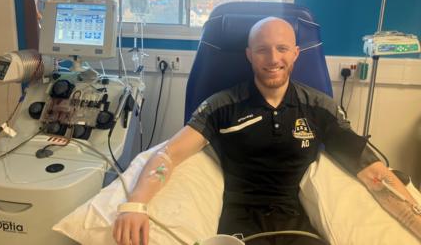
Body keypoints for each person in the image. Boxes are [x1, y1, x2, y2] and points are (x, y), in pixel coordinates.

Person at [112, 17, 421, 245]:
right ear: (249, 55)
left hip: (300, 230)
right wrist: (135, 204)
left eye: (282, 48)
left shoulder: (319, 108)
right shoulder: (222, 105)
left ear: (296, 53)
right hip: (238, 230)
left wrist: (415, 220)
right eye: (263, 50)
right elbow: (169, 153)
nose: (273, 59)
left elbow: (371, 170)